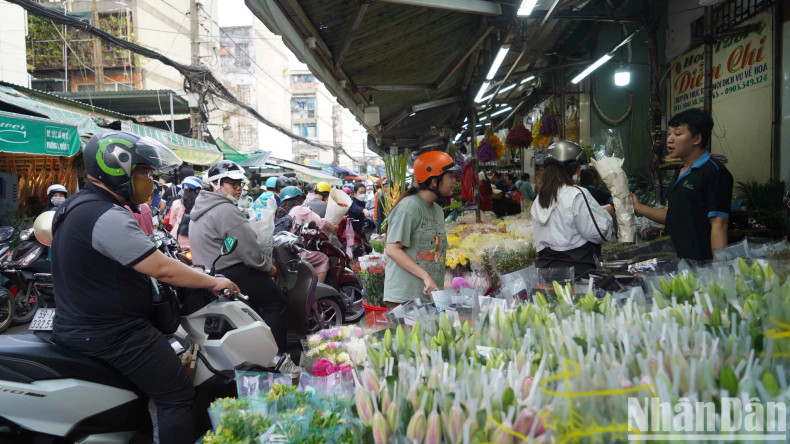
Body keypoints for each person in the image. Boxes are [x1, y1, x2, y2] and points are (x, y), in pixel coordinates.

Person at [51, 131, 239, 444]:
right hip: (114, 333)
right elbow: (163, 268)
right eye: (144, 172)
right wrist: (214, 281)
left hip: (81, 325)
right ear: (116, 167)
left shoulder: (75, 206)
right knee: (178, 393)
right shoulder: (106, 215)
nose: (149, 181)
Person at [189, 160, 288, 352]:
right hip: (231, 271)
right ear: (216, 184)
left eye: (240, 184)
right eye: (232, 184)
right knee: (277, 304)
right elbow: (249, 251)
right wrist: (269, 267)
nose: (238, 189)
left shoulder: (201, 207)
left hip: (209, 272)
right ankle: (280, 357)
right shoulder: (225, 209)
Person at [632, 108, 733, 261]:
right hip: (678, 262)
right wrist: (639, 207)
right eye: (669, 134)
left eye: (677, 134)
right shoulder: (681, 171)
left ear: (696, 139)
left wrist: (719, 270)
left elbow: (719, 224)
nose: (670, 139)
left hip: (702, 264)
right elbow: (675, 215)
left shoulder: (714, 172)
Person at [383, 151, 459, 308]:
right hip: (405, 299)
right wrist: (426, 276)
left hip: (429, 297)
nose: (454, 181)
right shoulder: (409, 206)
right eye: (450, 176)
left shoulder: (437, 209)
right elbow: (392, 249)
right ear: (434, 181)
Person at [531, 140, 614, 274]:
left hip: (546, 271)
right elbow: (600, 232)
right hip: (577, 272)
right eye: (578, 166)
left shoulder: (539, 199)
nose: (580, 170)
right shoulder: (576, 194)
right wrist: (606, 214)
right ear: (572, 168)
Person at [275, 186, 332, 283]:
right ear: (298, 198)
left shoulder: (280, 211)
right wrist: (333, 227)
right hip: (294, 253)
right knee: (323, 259)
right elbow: (321, 223)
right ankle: (317, 292)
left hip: (282, 253)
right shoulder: (299, 209)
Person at [169, 176, 202, 246]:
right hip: (196, 240)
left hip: (177, 238)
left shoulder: (177, 203)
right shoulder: (203, 205)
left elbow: (172, 222)